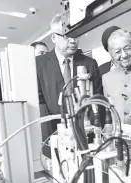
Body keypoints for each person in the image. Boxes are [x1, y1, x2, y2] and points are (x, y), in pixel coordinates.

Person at [36, 14, 103, 156]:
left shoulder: (90, 63)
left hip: (85, 135)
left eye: (76, 35)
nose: (73, 41)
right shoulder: (39, 64)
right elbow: (40, 103)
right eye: (67, 36)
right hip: (54, 134)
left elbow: (96, 98)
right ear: (53, 37)